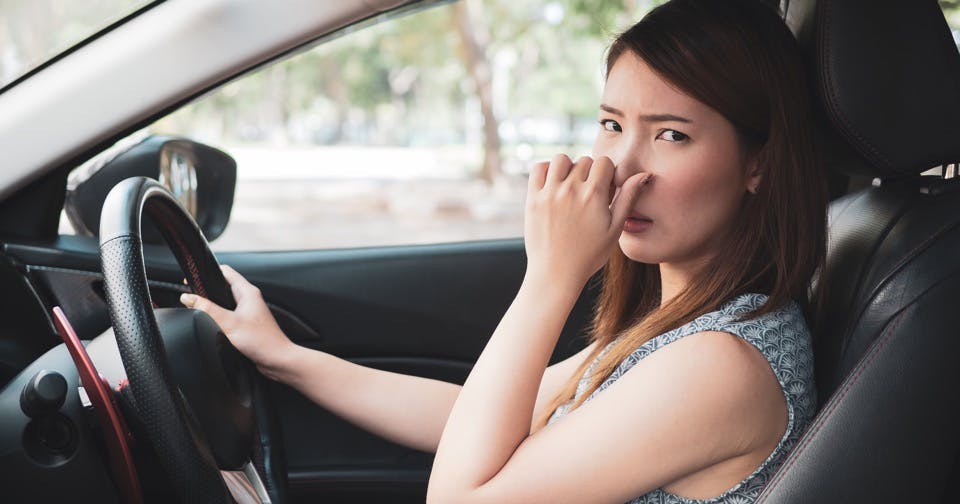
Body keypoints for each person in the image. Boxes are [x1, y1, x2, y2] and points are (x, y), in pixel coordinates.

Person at [180, 0, 827, 501]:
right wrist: (288, 360)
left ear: (758, 166)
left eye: (672, 136)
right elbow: (475, 424)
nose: (621, 168)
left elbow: (462, 496)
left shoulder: (722, 362)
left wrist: (552, 275)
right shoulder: (679, 324)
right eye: (611, 125)